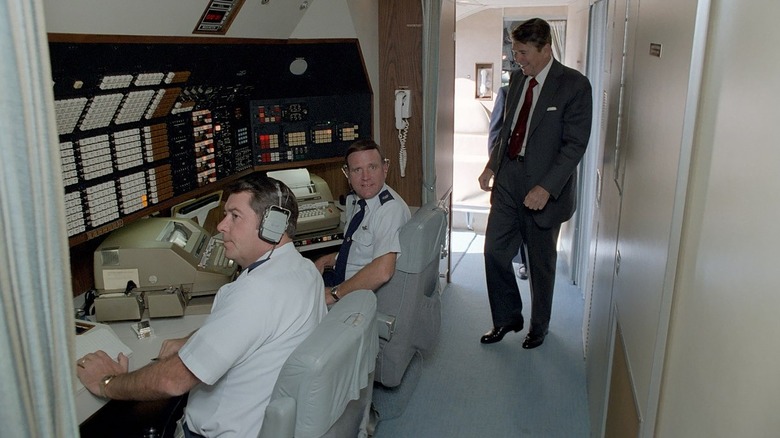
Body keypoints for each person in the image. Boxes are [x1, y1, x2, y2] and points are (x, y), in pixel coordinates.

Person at [76, 175, 327, 437]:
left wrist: (107, 382)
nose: (221, 226)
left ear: (272, 226)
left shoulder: (258, 292)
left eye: (234, 216)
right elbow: (248, 330)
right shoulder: (303, 269)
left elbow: (171, 381)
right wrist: (193, 340)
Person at [477, 18, 592, 349]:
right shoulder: (516, 80)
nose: (518, 60)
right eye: (515, 52)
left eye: (524, 53)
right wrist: (490, 167)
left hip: (544, 187)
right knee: (495, 251)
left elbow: (574, 146)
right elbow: (507, 130)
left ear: (545, 49)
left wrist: (547, 187)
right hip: (509, 178)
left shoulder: (573, 85)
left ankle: (538, 326)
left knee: (540, 265)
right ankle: (507, 317)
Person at [315, 139, 411, 305]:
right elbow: (360, 252)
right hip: (343, 280)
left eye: (372, 167)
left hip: (356, 295)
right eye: (357, 170)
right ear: (347, 174)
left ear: (385, 168)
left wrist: (334, 294)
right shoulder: (356, 200)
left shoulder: (389, 209)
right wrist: (331, 259)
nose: (365, 177)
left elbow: (382, 271)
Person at [488, 84, 528, 281]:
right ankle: (519, 260)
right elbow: (496, 134)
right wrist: (494, 167)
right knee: (496, 247)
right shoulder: (507, 92)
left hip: (536, 180)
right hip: (508, 176)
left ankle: (525, 263)